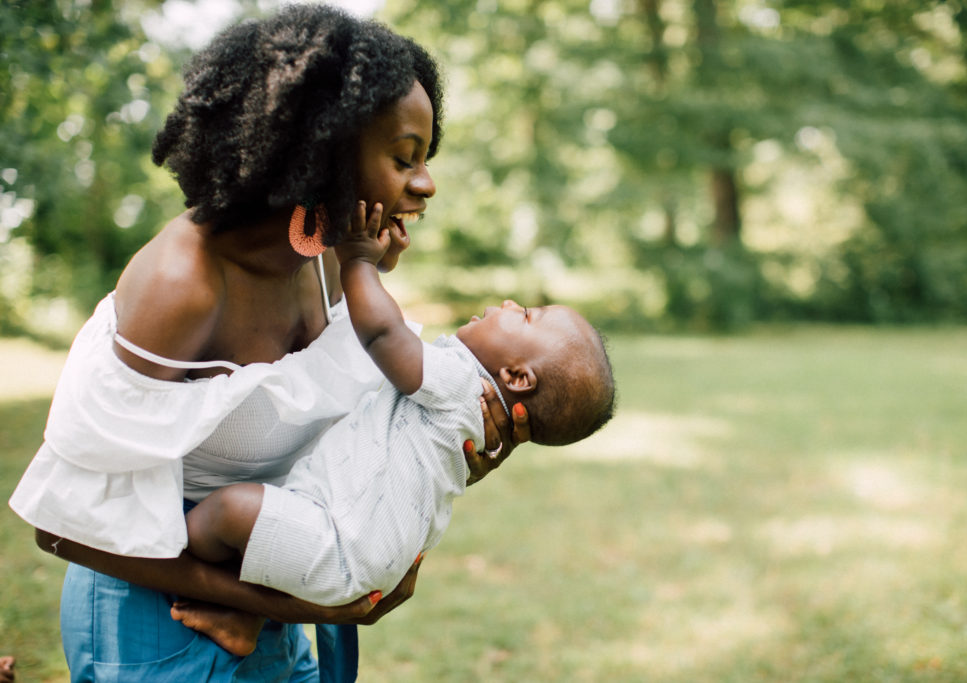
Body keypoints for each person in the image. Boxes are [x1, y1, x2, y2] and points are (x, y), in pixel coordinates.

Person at [8, 5, 528, 681]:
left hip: (261, 589)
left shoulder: (334, 259)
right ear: (325, 145)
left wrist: (439, 457)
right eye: (405, 157)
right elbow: (64, 527)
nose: (426, 183)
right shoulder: (182, 284)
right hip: (157, 615)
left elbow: (337, 438)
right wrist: (314, 606)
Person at [172, 202, 617, 656]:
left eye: (524, 315)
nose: (508, 304)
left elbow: (384, 334)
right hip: (365, 553)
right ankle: (248, 616)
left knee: (227, 512)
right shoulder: (481, 424)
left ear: (518, 378)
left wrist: (360, 261)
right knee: (251, 520)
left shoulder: (462, 385)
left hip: (339, 542)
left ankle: (204, 585)